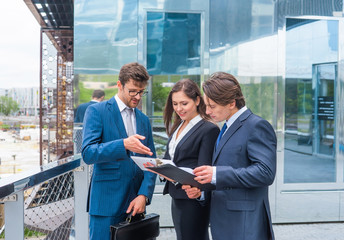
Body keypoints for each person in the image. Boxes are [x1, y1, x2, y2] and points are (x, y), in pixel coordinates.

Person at [183, 72, 277, 240]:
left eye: (212, 106)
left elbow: (265, 173)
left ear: (232, 103)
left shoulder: (257, 126)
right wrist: (202, 191)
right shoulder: (226, 127)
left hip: (245, 224)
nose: (207, 110)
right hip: (224, 221)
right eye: (206, 105)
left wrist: (217, 174)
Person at [81, 62, 157, 240]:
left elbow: (151, 161)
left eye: (141, 92)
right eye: (132, 91)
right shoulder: (97, 111)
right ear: (119, 85)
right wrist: (123, 145)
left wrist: (144, 195)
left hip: (135, 204)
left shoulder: (144, 120)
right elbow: (88, 153)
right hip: (106, 203)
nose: (138, 97)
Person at [160, 79, 220, 240]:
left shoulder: (208, 129)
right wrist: (158, 168)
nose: (179, 109)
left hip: (193, 198)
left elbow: (205, 169)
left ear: (197, 100)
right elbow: (169, 158)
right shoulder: (179, 125)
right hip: (177, 197)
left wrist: (200, 190)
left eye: (184, 103)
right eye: (175, 104)